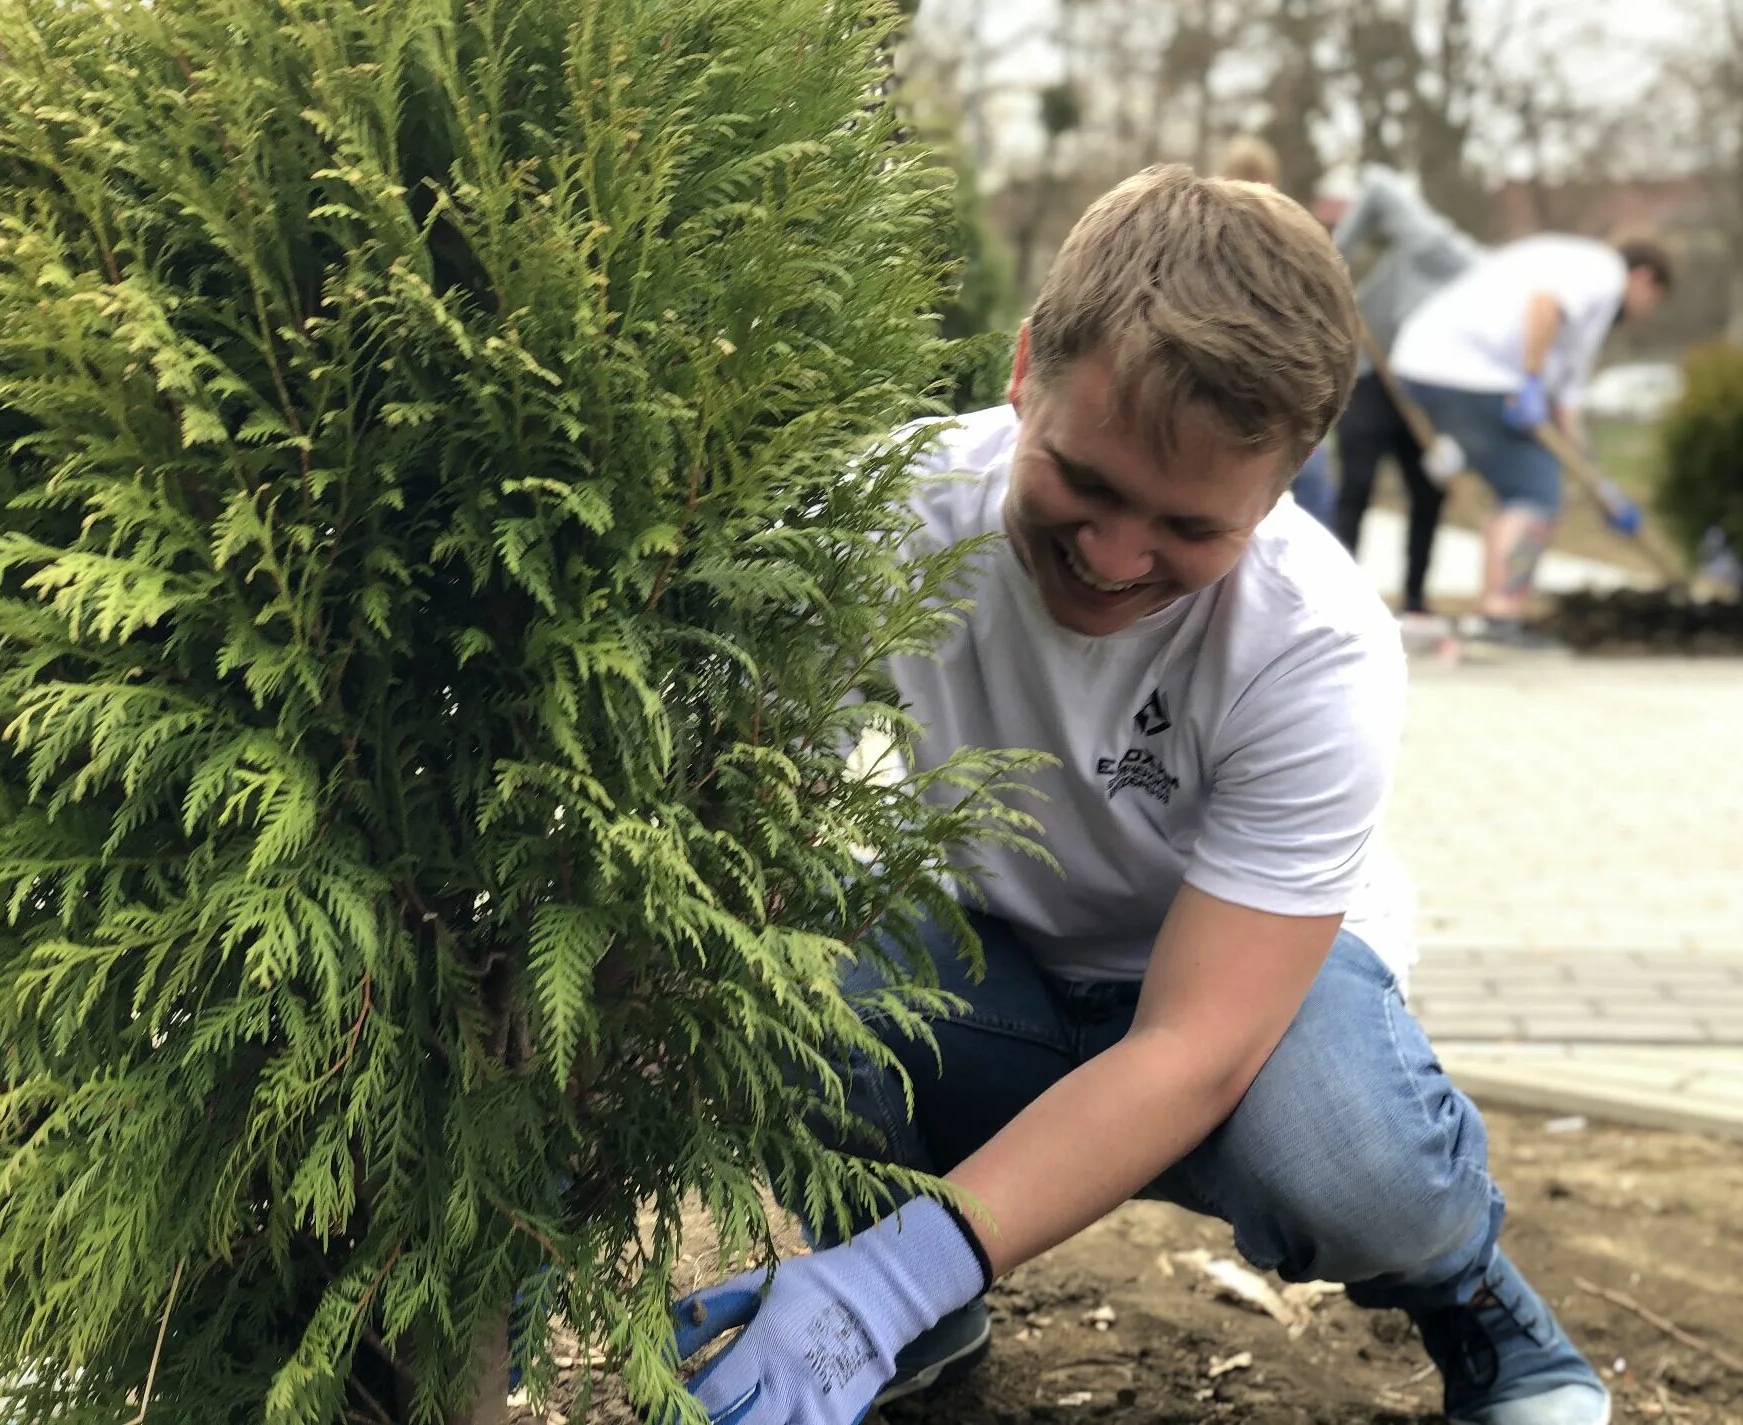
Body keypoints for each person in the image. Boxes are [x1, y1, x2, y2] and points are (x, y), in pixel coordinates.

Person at [668, 168, 1611, 1425]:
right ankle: (921, 1314)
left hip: (1246, 1006)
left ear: (1283, 486)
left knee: (1352, 1165)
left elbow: (1191, 1046)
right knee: (785, 959)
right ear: (1022, 372)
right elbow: (716, 830)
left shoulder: (1313, 642)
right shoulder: (886, 516)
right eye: (1087, 482)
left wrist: (881, 1282)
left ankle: (1475, 1302)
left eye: (1187, 525)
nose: (1112, 558)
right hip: (1002, 963)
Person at [1389, 235, 1673, 645]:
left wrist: (1600, 483)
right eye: (1655, 299)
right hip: (1464, 370)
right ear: (1645, 278)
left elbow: (1566, 409)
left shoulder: (1591, 301)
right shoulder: (1603, 273)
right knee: (1534, 494)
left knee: (1521, 492)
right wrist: (1532, 379)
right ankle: (1501, 615)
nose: (1647, 312)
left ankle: (1495, 611)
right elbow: (1544, 306)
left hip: (1443, 365)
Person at [1321, 165, 1481, 617]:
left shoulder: (1481, 294)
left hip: (1425, 396)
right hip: (1373, 377)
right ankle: (1336, 600)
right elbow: (1377, 184)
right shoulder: (1434, 247)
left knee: (1430, 489)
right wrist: (1331, 257)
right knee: (1357, 486)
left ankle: (1415, 600)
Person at [1218, 136, 1336, 529]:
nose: (1253, 188)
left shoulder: (1287, 240)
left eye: (1260, 179)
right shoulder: (1206, 232)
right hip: (1222, 375)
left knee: (1314, 477)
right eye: (1244, 177)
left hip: (1276, 380)